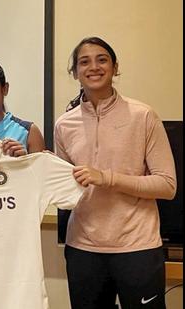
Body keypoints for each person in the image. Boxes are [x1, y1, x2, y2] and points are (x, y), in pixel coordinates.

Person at [54, 37, 177, 309]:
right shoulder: (64, 124)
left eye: (102, 59)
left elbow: (167, 185)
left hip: (138, 247)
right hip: (83, 249)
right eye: (84, 62)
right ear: (75, 72)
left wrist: (106, 178)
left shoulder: (143, 115)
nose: (93, 67)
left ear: (115, 67)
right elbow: (66, 191)